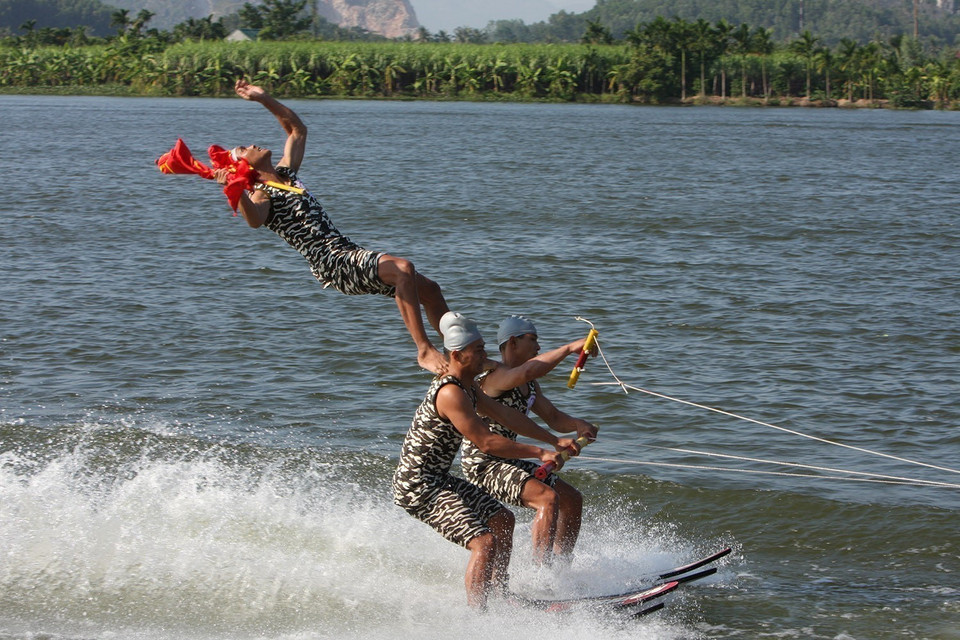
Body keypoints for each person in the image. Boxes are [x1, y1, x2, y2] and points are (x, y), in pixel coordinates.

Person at [213, 79, 448, 373]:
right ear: (245, 168)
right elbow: (254, 220)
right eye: (244, 149)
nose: (251, 145)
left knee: (431, 291)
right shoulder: (262, 194)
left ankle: (460, 355)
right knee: (403, 269)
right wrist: (236, 194)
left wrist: (264, 98)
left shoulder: (286, 174)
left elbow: (297, 130)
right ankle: (424, 351)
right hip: (331, 262)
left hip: (346, 250)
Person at [393, 312, 581, 608]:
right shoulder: (451, 393)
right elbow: (487, 441)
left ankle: (500, 596)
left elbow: (507, 416)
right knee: (484, 542)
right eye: (478, 350)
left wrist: (554, 440)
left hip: (439, 479)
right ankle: (479, 619)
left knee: (502, 520)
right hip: (418, 486)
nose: (485, 355)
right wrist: (540, 452)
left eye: (483, 348)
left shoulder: (469, 389)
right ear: (458, 355)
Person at [461, 315, 598, 565]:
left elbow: (554, 417)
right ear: (513, 342)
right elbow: (527, 369)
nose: (538, 346)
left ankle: (560, 568)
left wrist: (578, 425)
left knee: (571, 500)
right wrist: (569, 348)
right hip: (484, 463)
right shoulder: (497, 376)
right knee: (547, 498)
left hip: (509, 459)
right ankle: (541, 576)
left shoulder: (530, 386)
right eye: (532, 340)